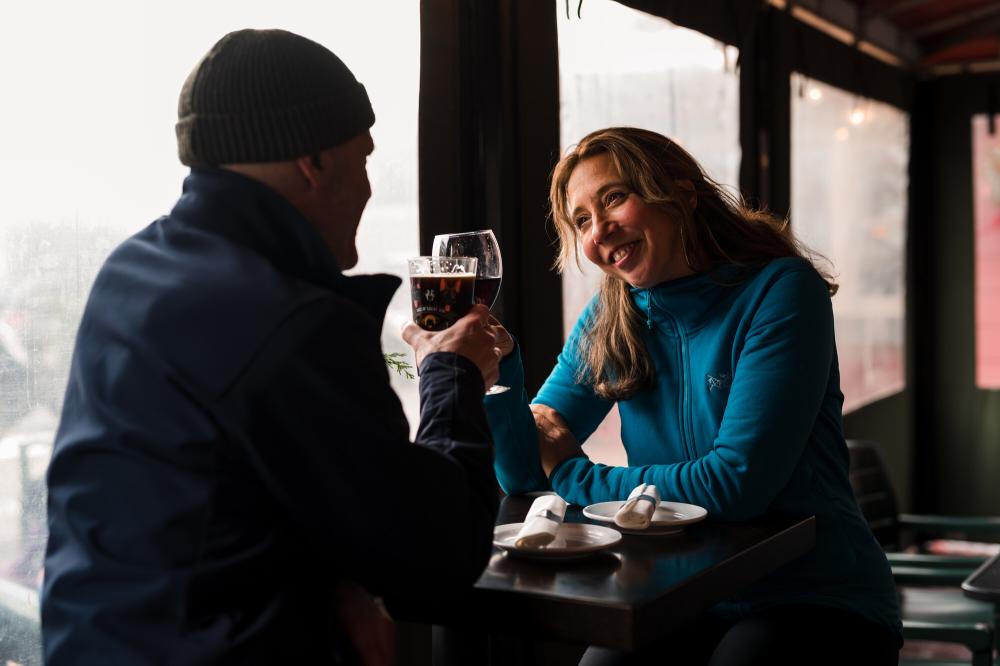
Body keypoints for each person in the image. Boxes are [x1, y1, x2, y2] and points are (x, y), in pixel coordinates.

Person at [42, 29, 502, 665]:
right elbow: (439, 554)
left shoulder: (132, 271)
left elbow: (225, 492)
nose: (370, 186)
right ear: (314, 163)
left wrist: (335, 587)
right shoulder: (291, 321)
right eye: (364, 158)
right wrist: (452, 373)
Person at [478, 127, 902, 665]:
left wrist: (571, 474)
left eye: (613, 198)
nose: (597, 232)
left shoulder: (781, 293)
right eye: (581, 220)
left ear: (680, 191)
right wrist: (500, 370)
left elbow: (734, 484)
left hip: (814, 591)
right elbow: (521, 472)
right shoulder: (613, 317)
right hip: (677, 591)